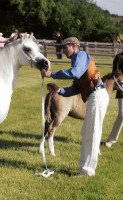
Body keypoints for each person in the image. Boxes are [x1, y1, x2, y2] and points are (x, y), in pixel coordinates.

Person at [41, 37, 109, 176]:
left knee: (93, 133)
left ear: (73, 46)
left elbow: (74, 73)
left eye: (65, 48)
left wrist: (51, 74)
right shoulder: (77, 61)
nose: (63, 51)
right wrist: (59, 91)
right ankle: (83, 169)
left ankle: (88, 171)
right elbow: (75, 88)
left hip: (97, 95)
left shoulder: (81, 55)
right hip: (93, 96)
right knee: (86, 133)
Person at [105, 52, 123, 148]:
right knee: (122, 114)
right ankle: (111, 139)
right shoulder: (119, 57)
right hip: (122, 87)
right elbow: (115, 74)